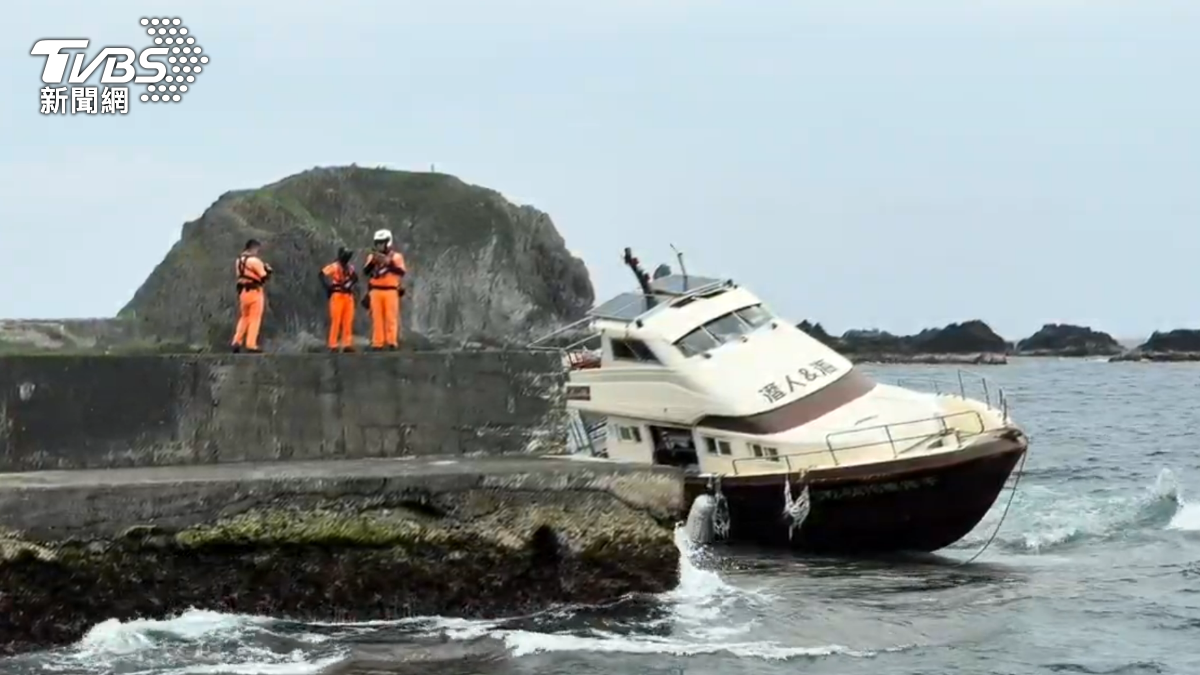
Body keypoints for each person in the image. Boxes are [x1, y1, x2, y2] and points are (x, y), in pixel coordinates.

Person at [361, 228, 407, 350]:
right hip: (376, 291)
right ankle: (377, 343)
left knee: (391, 317)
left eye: (382, 243)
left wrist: (389, 263)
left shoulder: (396, 257)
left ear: (388, 242)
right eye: (378, 243)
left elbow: (401, 272)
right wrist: (374, 262)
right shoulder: (372, 256)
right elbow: (366, 272)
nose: (380, 246)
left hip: (391, 290)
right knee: (377, 318)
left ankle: (392, 342)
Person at [231, 239, 272, 353]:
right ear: (254, 248)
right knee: (255, 318)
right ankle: (251, 344)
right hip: (255, 291)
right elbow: (264, 277)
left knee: (244, 317)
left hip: (243, 293)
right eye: (257, 249)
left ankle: (236, 341)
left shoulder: (238, 261)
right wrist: (268, 270)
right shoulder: (254, 261)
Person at [319, 247, 359, 352]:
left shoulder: (350, 267)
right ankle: (333, 344)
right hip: (337, 295)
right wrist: (327, 287)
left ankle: (347, 344)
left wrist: (350, 283)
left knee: (348, 321)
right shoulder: (335, 266)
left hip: (348, 296)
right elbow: (321, 274)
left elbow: (355, 278)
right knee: (336, 320)